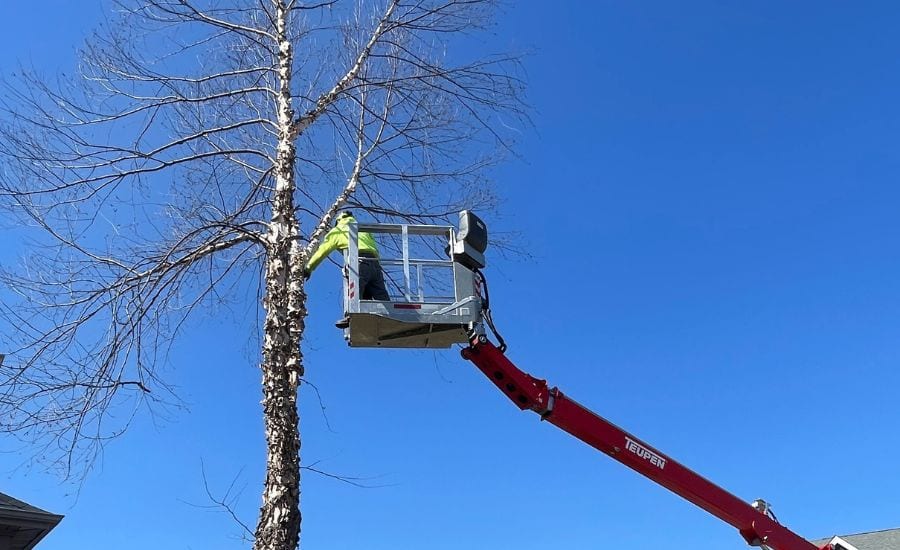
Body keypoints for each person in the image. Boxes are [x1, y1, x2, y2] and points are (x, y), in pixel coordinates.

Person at [304, 211, 390, 328]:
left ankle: (352, 316)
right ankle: (391, 316)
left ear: (338, 221)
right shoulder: (363, 228)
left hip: (359, 261)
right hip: (375, 264)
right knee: (380, 295)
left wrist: (309, 268)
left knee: (356, 289)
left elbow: (323, 251)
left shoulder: (338, 231)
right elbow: (373, 246)